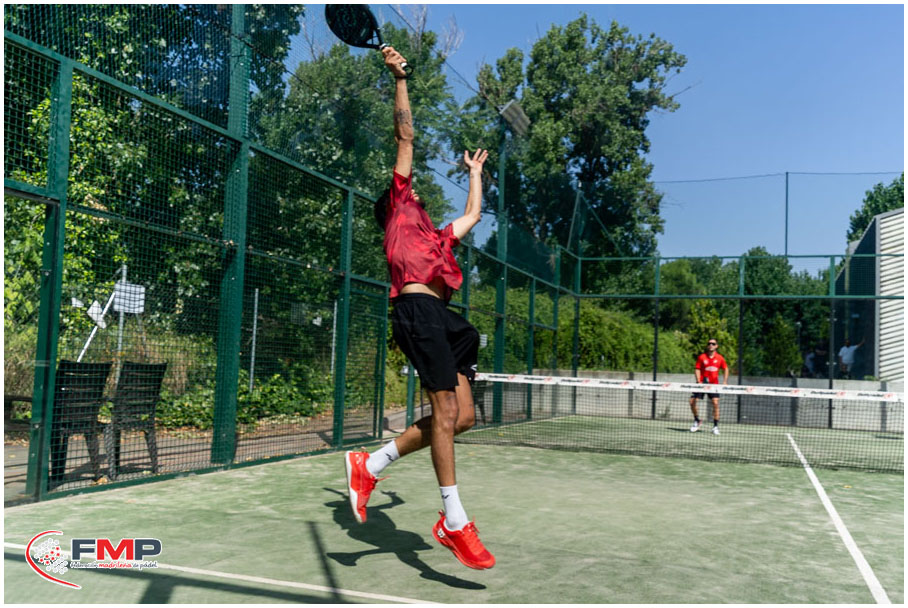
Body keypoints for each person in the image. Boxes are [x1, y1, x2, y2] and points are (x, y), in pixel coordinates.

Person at [343, 46, 494, 571]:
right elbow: (405, 137)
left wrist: (474, 172)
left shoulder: (437, 236)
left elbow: (473, 215)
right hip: (415, 311)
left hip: (448, 324)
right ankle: (454, 520)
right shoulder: (399, 207)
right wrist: (399, 78)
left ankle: (371, 463)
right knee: (446, 413)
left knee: (463, 417)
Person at [689, 338, 729, 435]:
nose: (711, 345)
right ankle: (697, 420)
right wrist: (698, 381)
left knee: (715, 403)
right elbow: (697, 369)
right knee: (692, 401)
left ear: (716, 346)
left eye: (713, 344)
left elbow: (725, 368)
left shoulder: (720, 358)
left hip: (714, 385)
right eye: (709, 343)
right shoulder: (702, 357)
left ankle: (715, 427)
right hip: (702, 384)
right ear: (707, 346)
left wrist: (725, 381)